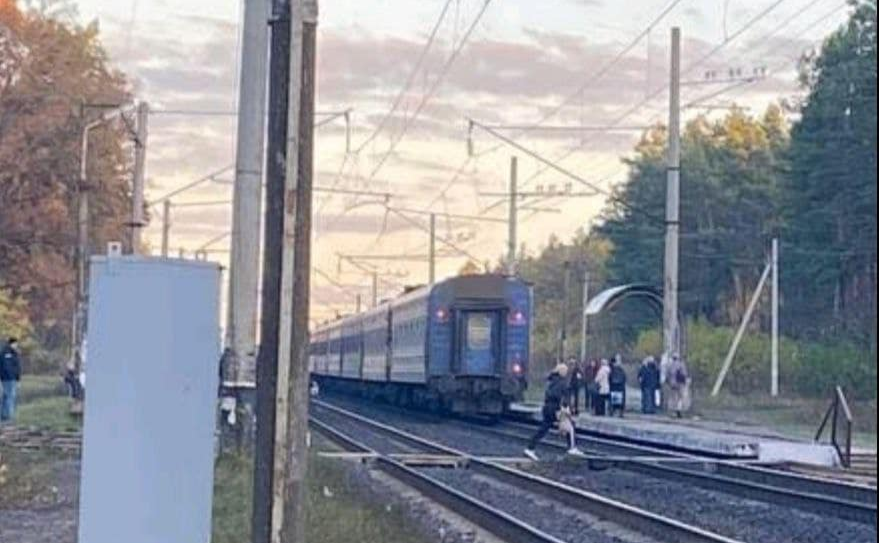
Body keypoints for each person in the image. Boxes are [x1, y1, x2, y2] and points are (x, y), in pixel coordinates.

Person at [524, 363, 585, 460]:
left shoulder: (552, 380)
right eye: (565, 371)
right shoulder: (562, 383)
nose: (566, 372)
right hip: (555, 409)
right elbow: (562, 396)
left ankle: (530, 448)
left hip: (547, 408)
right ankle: (572, 448)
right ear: (561, 372)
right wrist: (566, 407)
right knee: (570, 426)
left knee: (543, 429)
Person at [0, 337, 22, 423]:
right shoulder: (6, 353)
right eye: (15, 344)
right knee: (10, 396)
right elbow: (6, 366)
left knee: (6, 396)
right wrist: (14, 376)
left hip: (10, 378)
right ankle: (8, 416)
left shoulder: (13, 353)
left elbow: (17, 366)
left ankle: (4, 415)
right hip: (9, 378)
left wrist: (18, 378)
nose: (16, 345)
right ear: (11, 343)